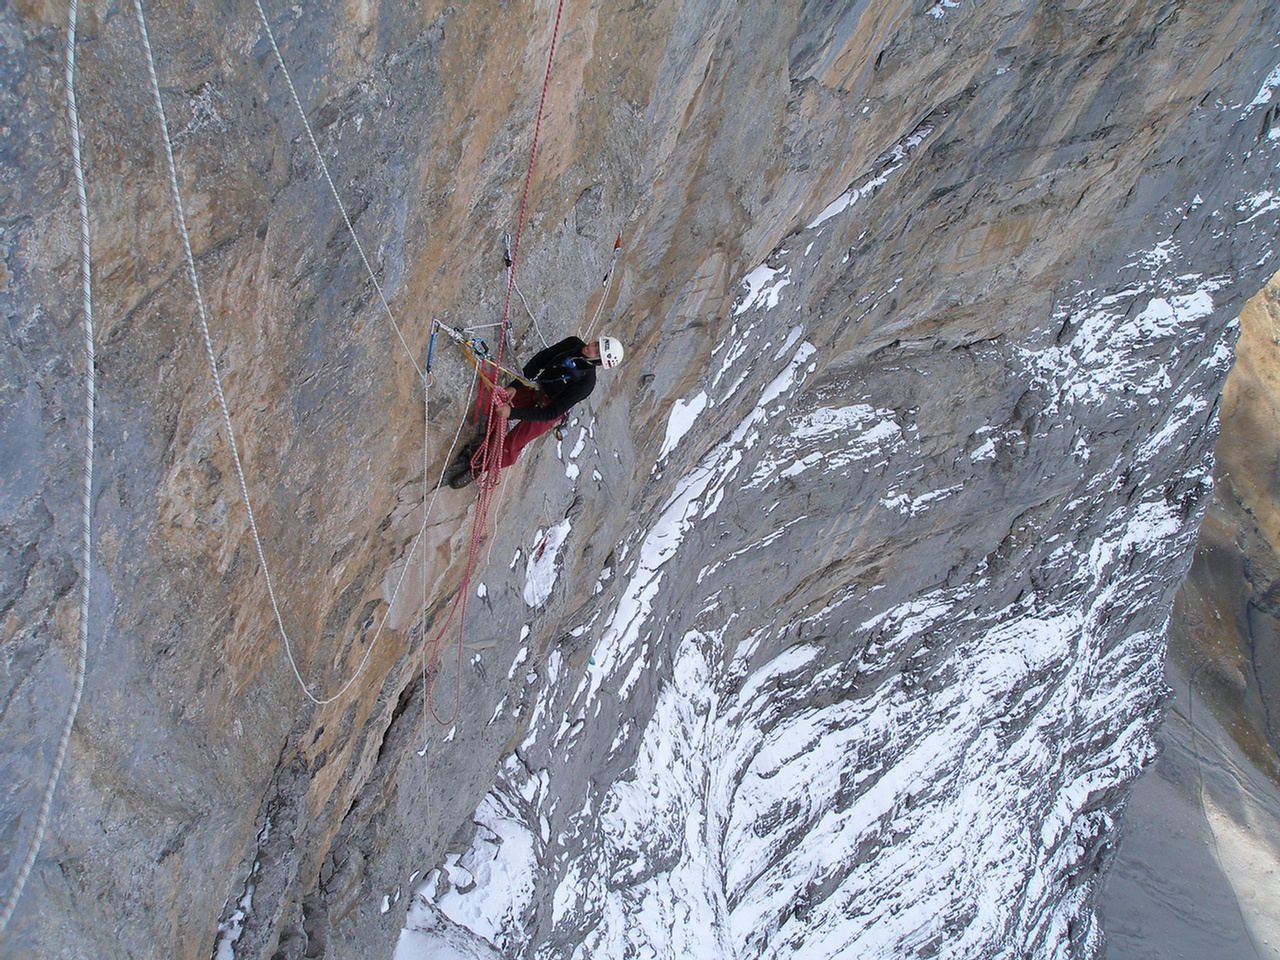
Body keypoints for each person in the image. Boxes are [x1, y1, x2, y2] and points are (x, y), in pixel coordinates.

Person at [446, 334, 624, 488]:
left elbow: (550, 413)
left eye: (596, 351)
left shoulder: (586, 384)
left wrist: (513, 413)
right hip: (535, 388)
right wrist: (515, 386)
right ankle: (482, 444)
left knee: (511, 447)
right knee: (495, 408)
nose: (590, 347)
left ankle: (478, 469)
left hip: (548, 408)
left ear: (599, 362)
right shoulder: (572, 344)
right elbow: (540, 360)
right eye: (595, 343)